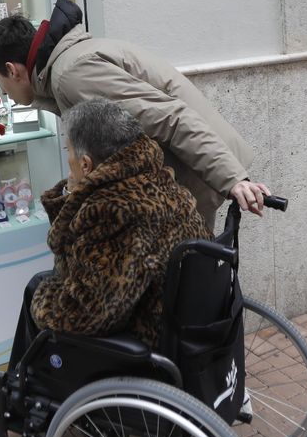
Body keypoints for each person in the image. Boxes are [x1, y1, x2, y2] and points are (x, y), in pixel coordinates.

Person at [0, 0, 270, 225]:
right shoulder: (64, 67)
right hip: (187, 174)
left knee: (190, 285)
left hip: (195, 174)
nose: (3, 92)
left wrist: (232, 179)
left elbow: (170, 118)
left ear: (12, 71)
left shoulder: (71, 75)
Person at [26, 98, 208, 346]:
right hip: (177, 316)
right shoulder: (157, 179)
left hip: (144, 335)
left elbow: (82, 315)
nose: (68, 158)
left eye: (67, 151)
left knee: (35, 290)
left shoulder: (110, 211)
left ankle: (23, 379)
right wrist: (73, 194)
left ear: (86, 164)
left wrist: (42, 299)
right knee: (40, 282)